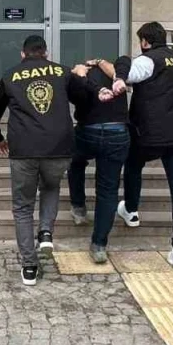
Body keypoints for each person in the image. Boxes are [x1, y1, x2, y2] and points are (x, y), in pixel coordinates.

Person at [0, 35, 93, 286]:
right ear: (46, 53)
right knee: (51, 187)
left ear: (23, 54)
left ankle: (29, 267)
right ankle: (45, 233)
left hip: (23, 149)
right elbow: (83, 99)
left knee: (23, 207)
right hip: (59, 147)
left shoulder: (11, 75)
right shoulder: (62, 72)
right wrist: (79, 77)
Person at [100, 22, 173, 269]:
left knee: (133, 163)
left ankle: (131, 210)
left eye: (140, 41)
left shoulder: (149, 60)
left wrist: (116, 72)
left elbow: (128, 71)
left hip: (154, 133)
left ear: (145, 41)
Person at [66, 57, 134, 264]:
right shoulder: (117, 75)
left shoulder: (79, 78)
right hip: (118, 133)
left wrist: (78, 77)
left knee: (75, 162)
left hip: (88, 131)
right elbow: (123, 62)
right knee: (108, 190)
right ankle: (99, 245)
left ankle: (78, 207)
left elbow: (74, 99)